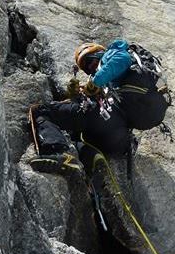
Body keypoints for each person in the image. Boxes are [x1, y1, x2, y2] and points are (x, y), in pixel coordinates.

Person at [29, 39, 157, 176]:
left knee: (40, 111)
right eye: (86, 68)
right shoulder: (111, 84)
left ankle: (57, 153)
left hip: (106, 121)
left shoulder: (112, 54)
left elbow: (121, 60)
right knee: (75, 136)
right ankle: (92, 163)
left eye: (90, 60)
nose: (90, 67)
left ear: (100, 53)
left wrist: (94, 82)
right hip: (117, 140)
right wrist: (77, 94)